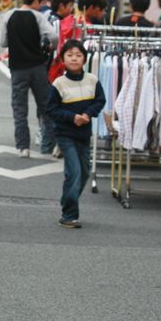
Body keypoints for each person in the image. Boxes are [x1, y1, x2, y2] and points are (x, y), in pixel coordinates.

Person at [45, 39, 106, 229]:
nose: (74, 59)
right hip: (65, 134)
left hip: (84, 134)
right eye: (70, 55)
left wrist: (88, 114)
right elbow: (51, 109)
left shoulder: (92, 80)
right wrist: (72, 117)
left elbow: (100, 100)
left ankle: (67, 200)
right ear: (63, 58)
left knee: (85, 172)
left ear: (85, 59)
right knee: (74, 172)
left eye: (78, 55)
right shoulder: (59, 83)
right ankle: (69, 214)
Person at [1, 0, 57, 158]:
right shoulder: (38, 17)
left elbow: (3, 42)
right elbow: (53, 36)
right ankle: (49, 145)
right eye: (41, 1)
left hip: (17, 69)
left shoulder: (8, 16)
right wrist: (47, 45)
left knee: (19, 108)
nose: (42, 5)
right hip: (37, 67)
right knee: (46, 106)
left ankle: (22, 147)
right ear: (35, 1)